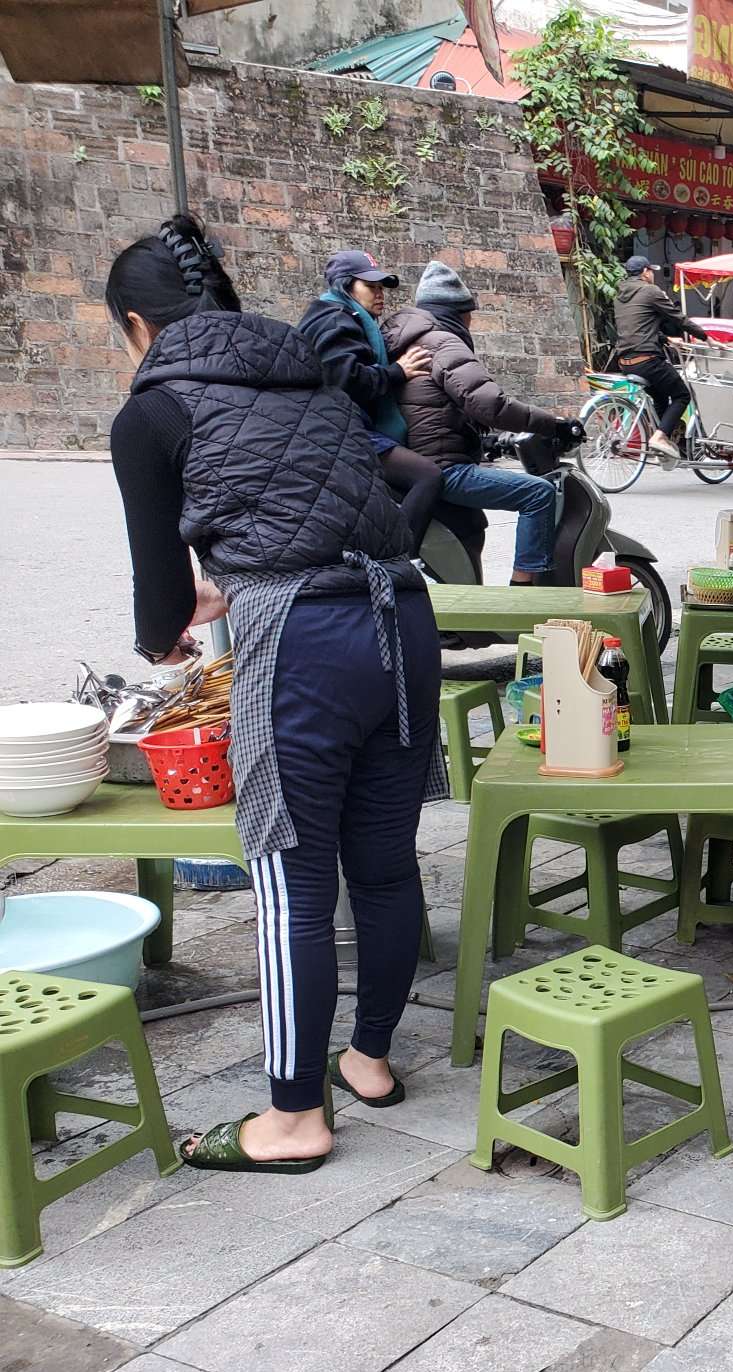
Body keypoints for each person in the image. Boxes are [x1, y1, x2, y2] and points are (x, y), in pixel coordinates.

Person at [106, 214, 445, 1172]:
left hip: (306, 647)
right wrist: (254, 578)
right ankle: (368, 1061)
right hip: (403, 617)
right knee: (385, 866)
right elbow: (382, 489)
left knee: (292, 884)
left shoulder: (152, 411)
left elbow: (158, 597)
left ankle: (294, 1118)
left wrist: (169, 630)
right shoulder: (310, 377)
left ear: (137, 326)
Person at [382, 261, 581, 584]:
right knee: (539, 494)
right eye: (469, 315)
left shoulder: (404, 340)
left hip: (418, 462)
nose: (471, 323)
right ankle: (524, 587)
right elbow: (491, 404)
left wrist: (485, 441)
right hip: (445, 468)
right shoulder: (442, 343)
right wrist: (553, 424)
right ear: (457, 313)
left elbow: (439, 408)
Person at [296, 249, 442, 545]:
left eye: (381, 287)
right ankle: (401, 557)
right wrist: (397, 372)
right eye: (370, 286)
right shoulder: (334, 319)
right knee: (427, 476)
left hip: (338, 428)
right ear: (345, 286)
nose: (379, 294)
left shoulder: (342, 317)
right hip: (338, 431)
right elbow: (345, 378)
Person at [612, 254, 710, 456]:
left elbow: (636, 328)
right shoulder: (650, 291)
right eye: (651, 271)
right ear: (645, 272)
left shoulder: (619, 296)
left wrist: (666, 339)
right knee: (682, 395)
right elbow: (678, 318)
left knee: (660, 397)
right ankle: (659, 437)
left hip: (625, 361)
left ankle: (661, 446)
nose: (653, 275)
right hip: (647, 361)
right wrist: (706, 337)